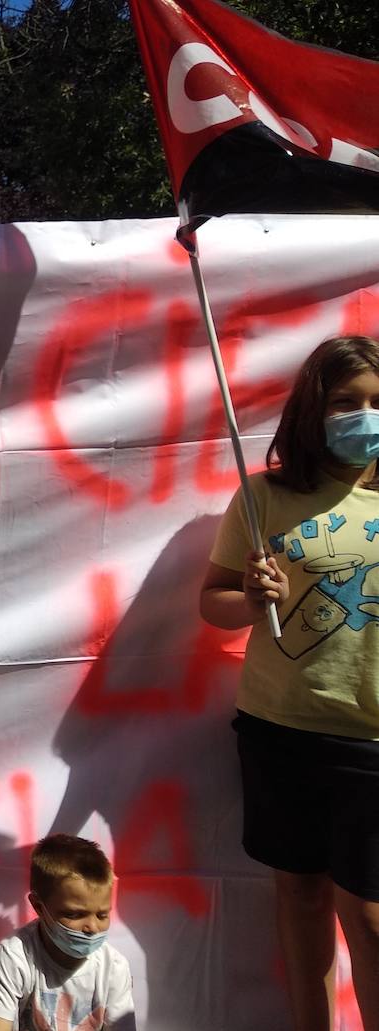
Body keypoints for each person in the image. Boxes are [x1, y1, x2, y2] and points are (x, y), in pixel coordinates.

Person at [201, 334, 379, 1031]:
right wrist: (250, 597)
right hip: (281, 729)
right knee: (301, 897)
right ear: (313, 409)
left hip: (370, 742)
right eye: (346, 402)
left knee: (367, 917)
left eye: (376, 403)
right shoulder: (266, 496)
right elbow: (211, 603)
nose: (364, 415)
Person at [0, 834, 133, 1031]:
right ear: (39, 907)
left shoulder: (114, 968)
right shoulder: (15, 956)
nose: (92, 928)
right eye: (75, 914)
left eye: (102, 915)